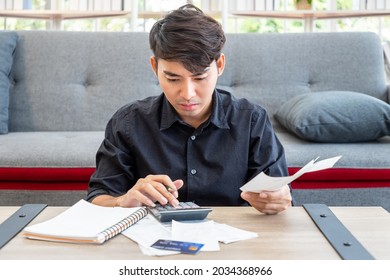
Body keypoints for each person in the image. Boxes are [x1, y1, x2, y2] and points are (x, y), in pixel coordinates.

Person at [87, 4, 292, 215]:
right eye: (173, 78)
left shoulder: (251, 120)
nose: (187, 93)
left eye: (200, 77)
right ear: (154, 67)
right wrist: (122, 200)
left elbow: (280, 196)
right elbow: (97, 199)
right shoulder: (128, 122)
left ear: (220, 65)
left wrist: (277, 201)